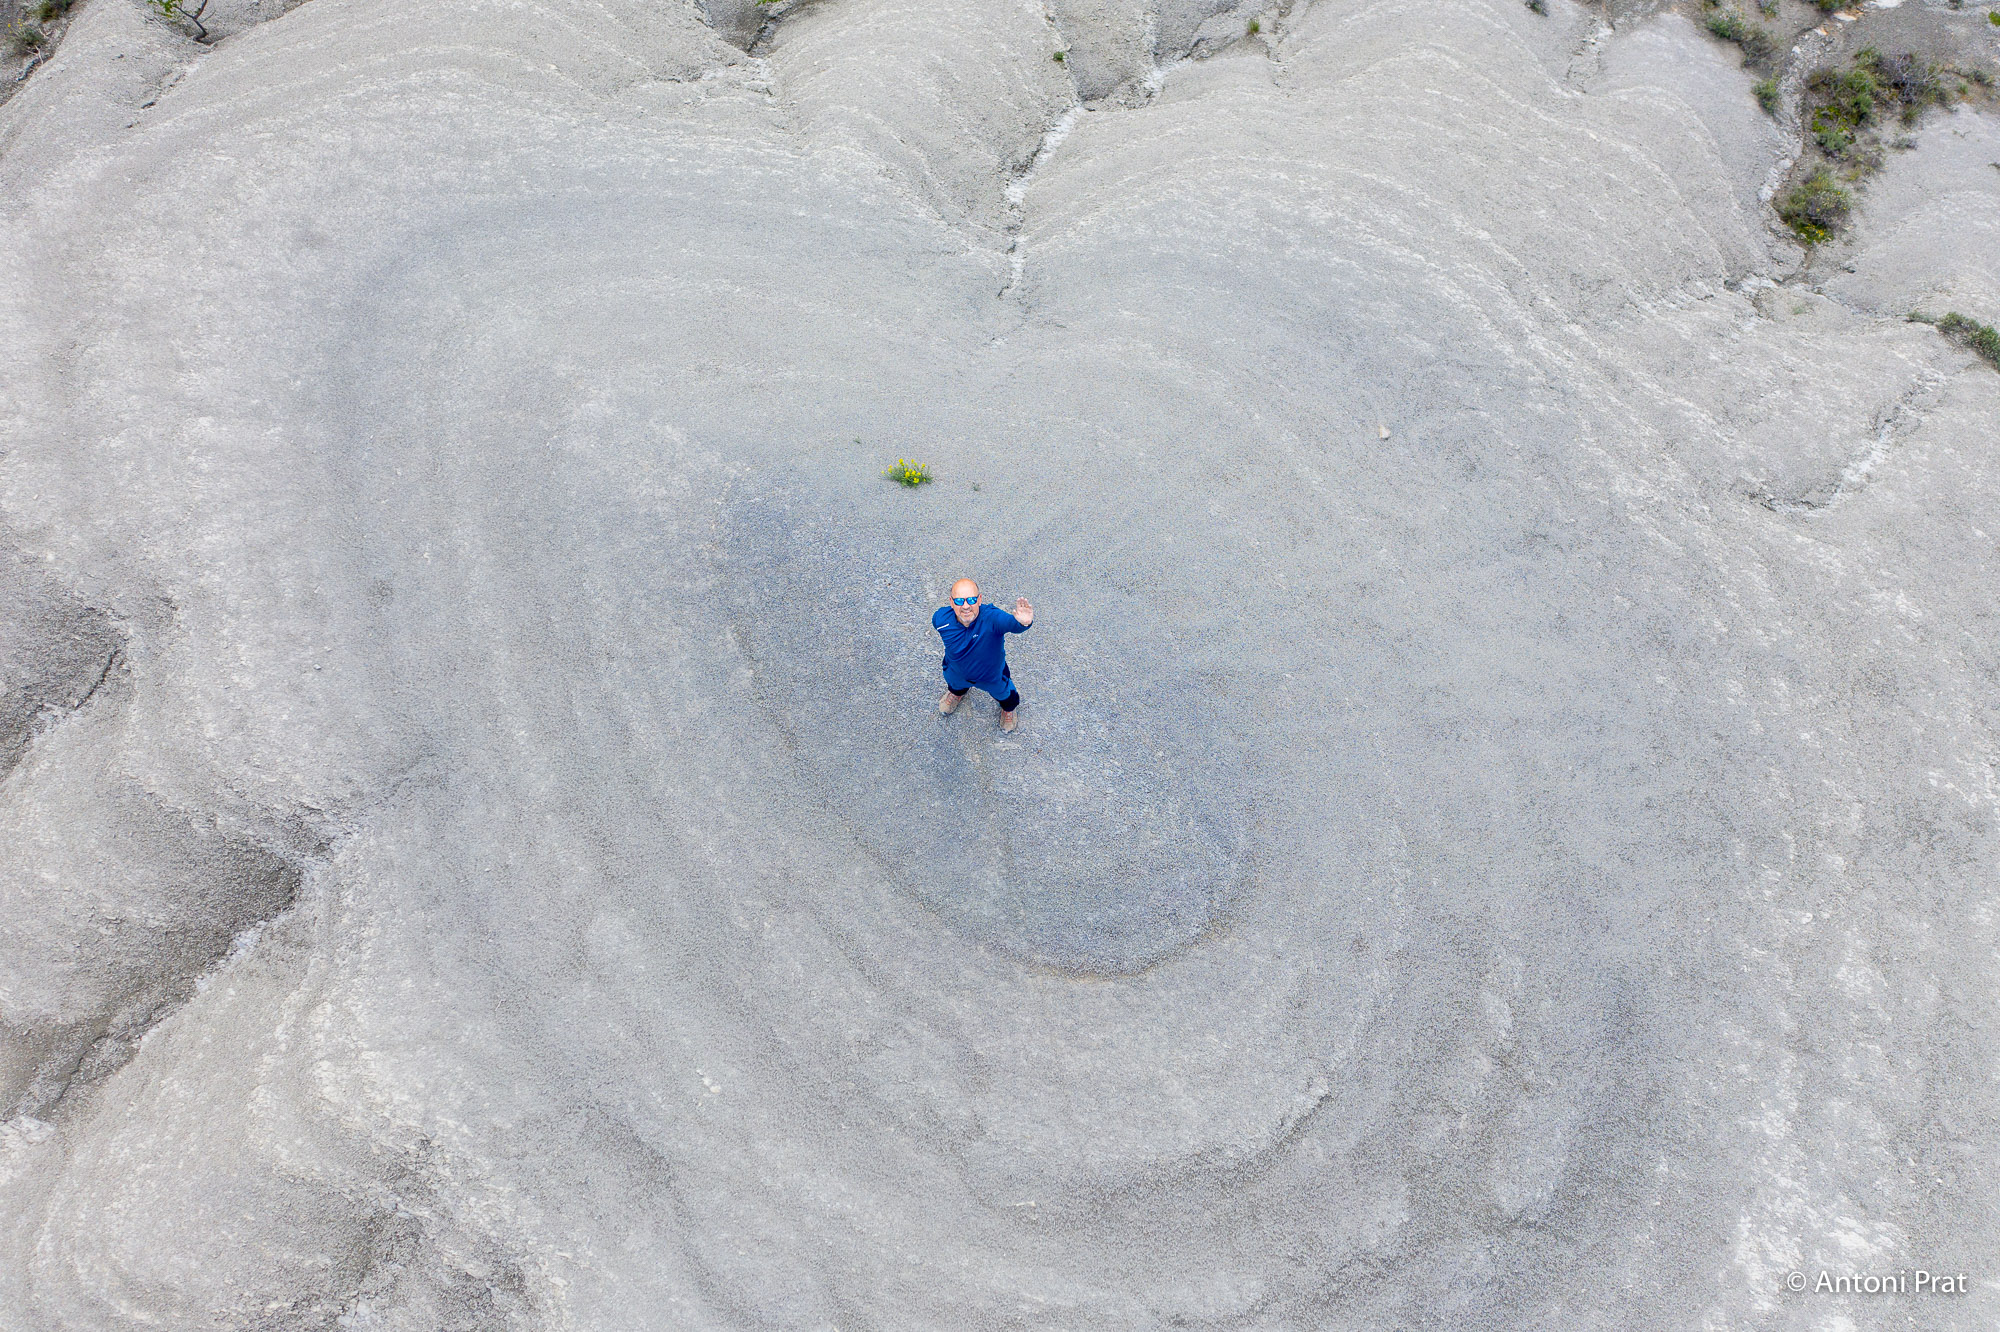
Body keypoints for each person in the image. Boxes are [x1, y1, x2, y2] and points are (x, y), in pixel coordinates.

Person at [933, 577, 1033, 732]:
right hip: (956, 671)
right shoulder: (940, 620)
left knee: (1005, 694)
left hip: (991, 676)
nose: (966, 606)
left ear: (979, 600)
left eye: (971, 600)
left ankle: (1008, 709)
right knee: (955, 685)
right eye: (959, 601)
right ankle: (957, 694)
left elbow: (1009, 623)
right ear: (951, 602)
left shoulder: (992, 618)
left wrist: (1023, 623)